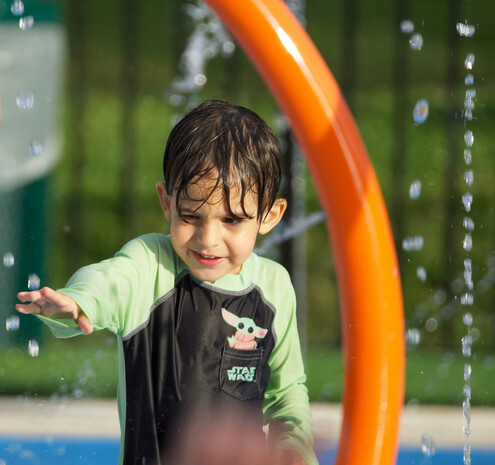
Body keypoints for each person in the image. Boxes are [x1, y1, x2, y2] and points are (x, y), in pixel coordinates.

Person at [16, 100, 318, 465]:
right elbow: (109, 280)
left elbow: (286, 393)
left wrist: (296, 451)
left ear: (269, 215)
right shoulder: (151, 266)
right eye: (190, 216)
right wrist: (79, 301)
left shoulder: (273, 287)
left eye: (231, 220)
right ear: (167, 202)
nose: (208, 239)